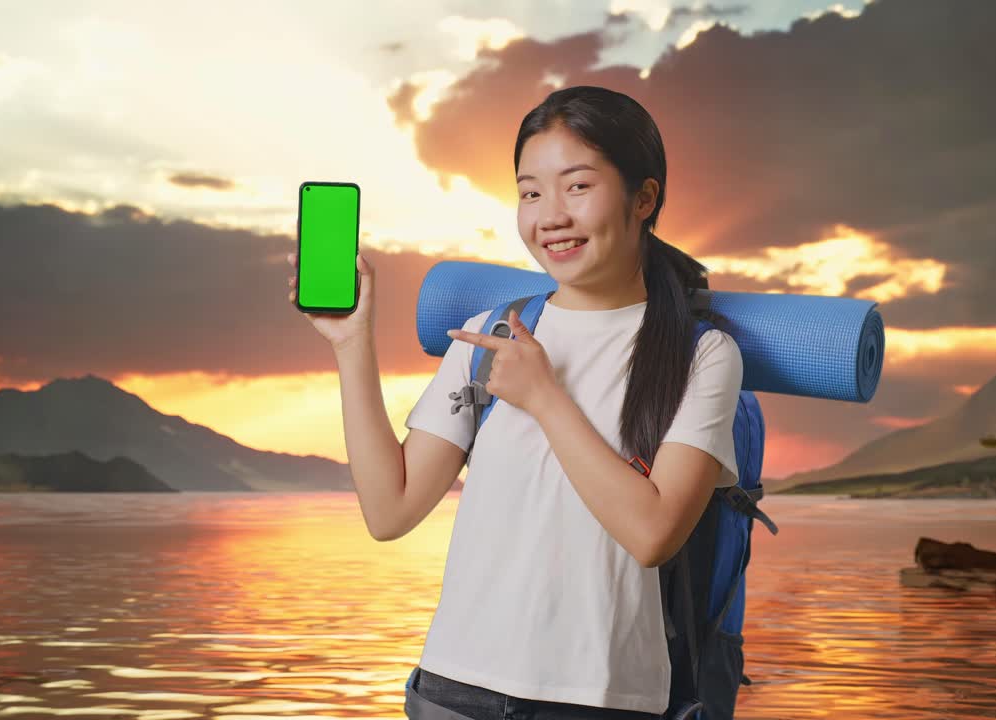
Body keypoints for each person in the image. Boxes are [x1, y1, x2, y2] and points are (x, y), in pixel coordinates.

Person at [288, 85, 743, 720]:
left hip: (598, 700)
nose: (549, 215)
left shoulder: (703, 354)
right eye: (530, 192)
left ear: (644, 198)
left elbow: (653, 534)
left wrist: (545, 398)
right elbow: (389, 510)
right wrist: (350, 341)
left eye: (576, 186)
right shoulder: (490, 334)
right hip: (451, 687)